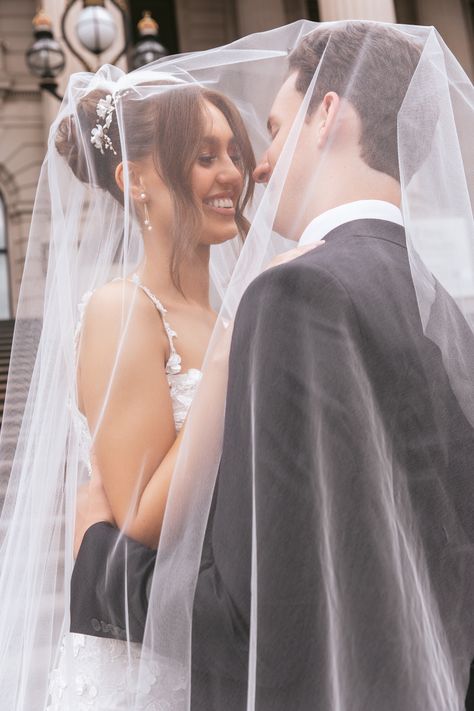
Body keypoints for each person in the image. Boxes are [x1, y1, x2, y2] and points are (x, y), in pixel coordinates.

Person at [10, 19, 474, 711]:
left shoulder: (287, 295)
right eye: (204, 155)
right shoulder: (441, 307)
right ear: (136, 181)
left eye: (260, 135)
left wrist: (97, 567)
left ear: (327, 115)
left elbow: (275, 590)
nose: (247, 167)